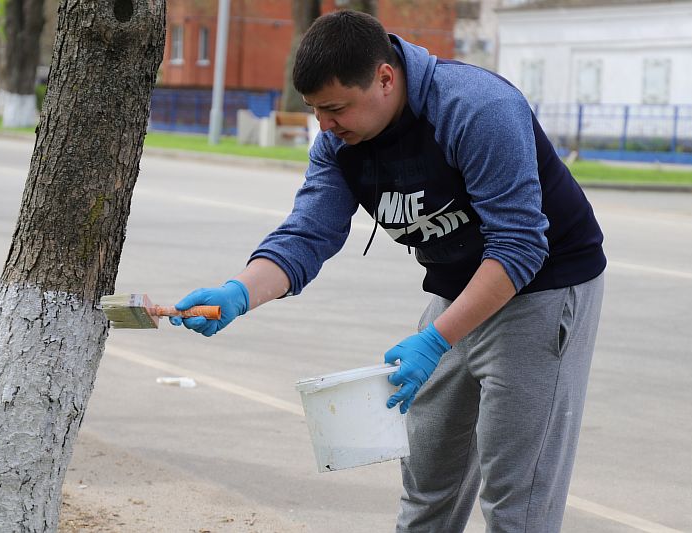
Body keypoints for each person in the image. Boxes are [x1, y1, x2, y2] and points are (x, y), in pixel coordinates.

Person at [170, 10, 606, 533]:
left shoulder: (476, 109)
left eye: (335, 109)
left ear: (384, 78)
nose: (324, 126)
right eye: (315, 111)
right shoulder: (340, 143)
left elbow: (518, 247)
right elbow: (308, 234)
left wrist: (436, 339)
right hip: (457, 289)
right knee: (427, 481)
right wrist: (240, 292)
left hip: (544, 287)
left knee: (518, 500)